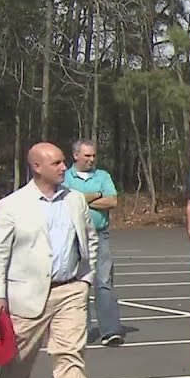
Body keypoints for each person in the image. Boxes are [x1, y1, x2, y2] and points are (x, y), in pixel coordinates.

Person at [0, 142, 99, 378]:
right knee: (19, 359)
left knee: (70, 357)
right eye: (57, 163)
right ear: (36, 167)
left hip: (70, 289)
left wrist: (86, 278)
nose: (64, 167)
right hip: (28, 293)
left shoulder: (75, 200)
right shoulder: (12, 205)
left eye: (64, 162)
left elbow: (90, 239)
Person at [62, 139, 124, 346]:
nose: (91, 159)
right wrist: (97, 196)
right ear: (76, 155)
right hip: (72, 237)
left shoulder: (102, 176)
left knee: (104, 282)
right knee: (77, 284)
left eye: (93, 155)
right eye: (87, 156)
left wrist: (82, 198)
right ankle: (82, 330)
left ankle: (111, 330)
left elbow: (112, 201)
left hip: (100, 235)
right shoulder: (65, 177)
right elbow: (64, 201)